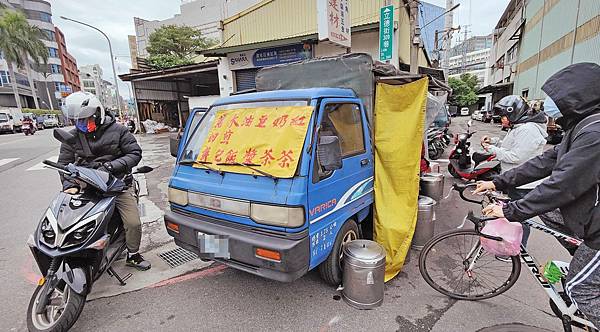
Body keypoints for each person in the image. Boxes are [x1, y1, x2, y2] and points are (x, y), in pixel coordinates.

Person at [475, 62, 600, 327]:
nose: (547, 105)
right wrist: (497, 183)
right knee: (546, 212)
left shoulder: (595, 133)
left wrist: (510, 210)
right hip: (590, 216)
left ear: (577, 97)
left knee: (580, 289)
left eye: (555, 98)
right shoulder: (579, 128)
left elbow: (562, 184)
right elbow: (544, 162)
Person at [58, 91, 151, 271]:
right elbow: (64, 164)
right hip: (87, 187)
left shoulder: (119, 130)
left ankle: (133, 255)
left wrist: (111, 166)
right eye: (78, 121)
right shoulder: (72, 137)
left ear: (98, 114)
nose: (82, 125)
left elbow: (135, 154)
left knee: (133, 223)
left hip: (118, 185)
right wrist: (69, 185)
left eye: (86, 120)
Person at [480, 95, 548, 247]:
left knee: (520, 220)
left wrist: (492, 149)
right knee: (514, 216)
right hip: (517, 180)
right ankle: (513, 246)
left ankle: (517, 250)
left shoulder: (528, 129)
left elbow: (516, 156)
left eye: (505, 116)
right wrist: (493, 142)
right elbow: (510, 145)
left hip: (524, 184)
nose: (502, 119)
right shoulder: (519, 126)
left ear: (514, 113)